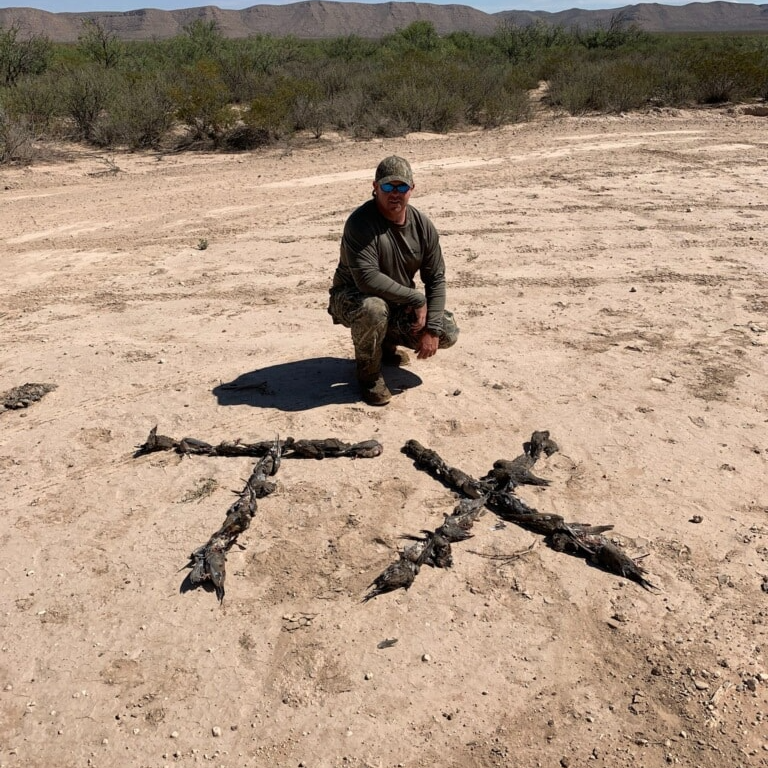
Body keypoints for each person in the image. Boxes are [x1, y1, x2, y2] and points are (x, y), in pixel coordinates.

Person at [328, 156, 459, 406]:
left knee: (447, 330)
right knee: (374, 308)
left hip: (396, 300)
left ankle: (386, 345)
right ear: (375, 187)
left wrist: (431, 328)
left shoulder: (423, 226)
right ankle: (368, 375)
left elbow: (436, 278)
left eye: (401, 187)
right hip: (351, 298)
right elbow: (367, 279)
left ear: (412, 189)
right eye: (388, 187)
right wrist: (416, 298)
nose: (394, 194)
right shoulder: (360, 223)